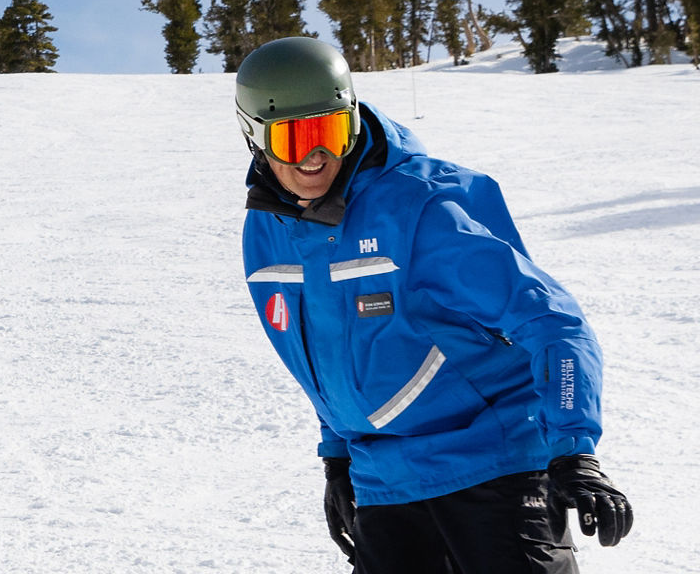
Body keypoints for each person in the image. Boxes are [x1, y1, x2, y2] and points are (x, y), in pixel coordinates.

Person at [229, 37, 635, 573]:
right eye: (294, 137)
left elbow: (554, 323)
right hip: (384, 484)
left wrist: (574, 448)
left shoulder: (422, 209)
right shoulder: (266, 233)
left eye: (329, 131)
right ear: (253, 134)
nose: (315, 156)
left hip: (492, 467)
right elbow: (325, 354)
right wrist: (338, 457)